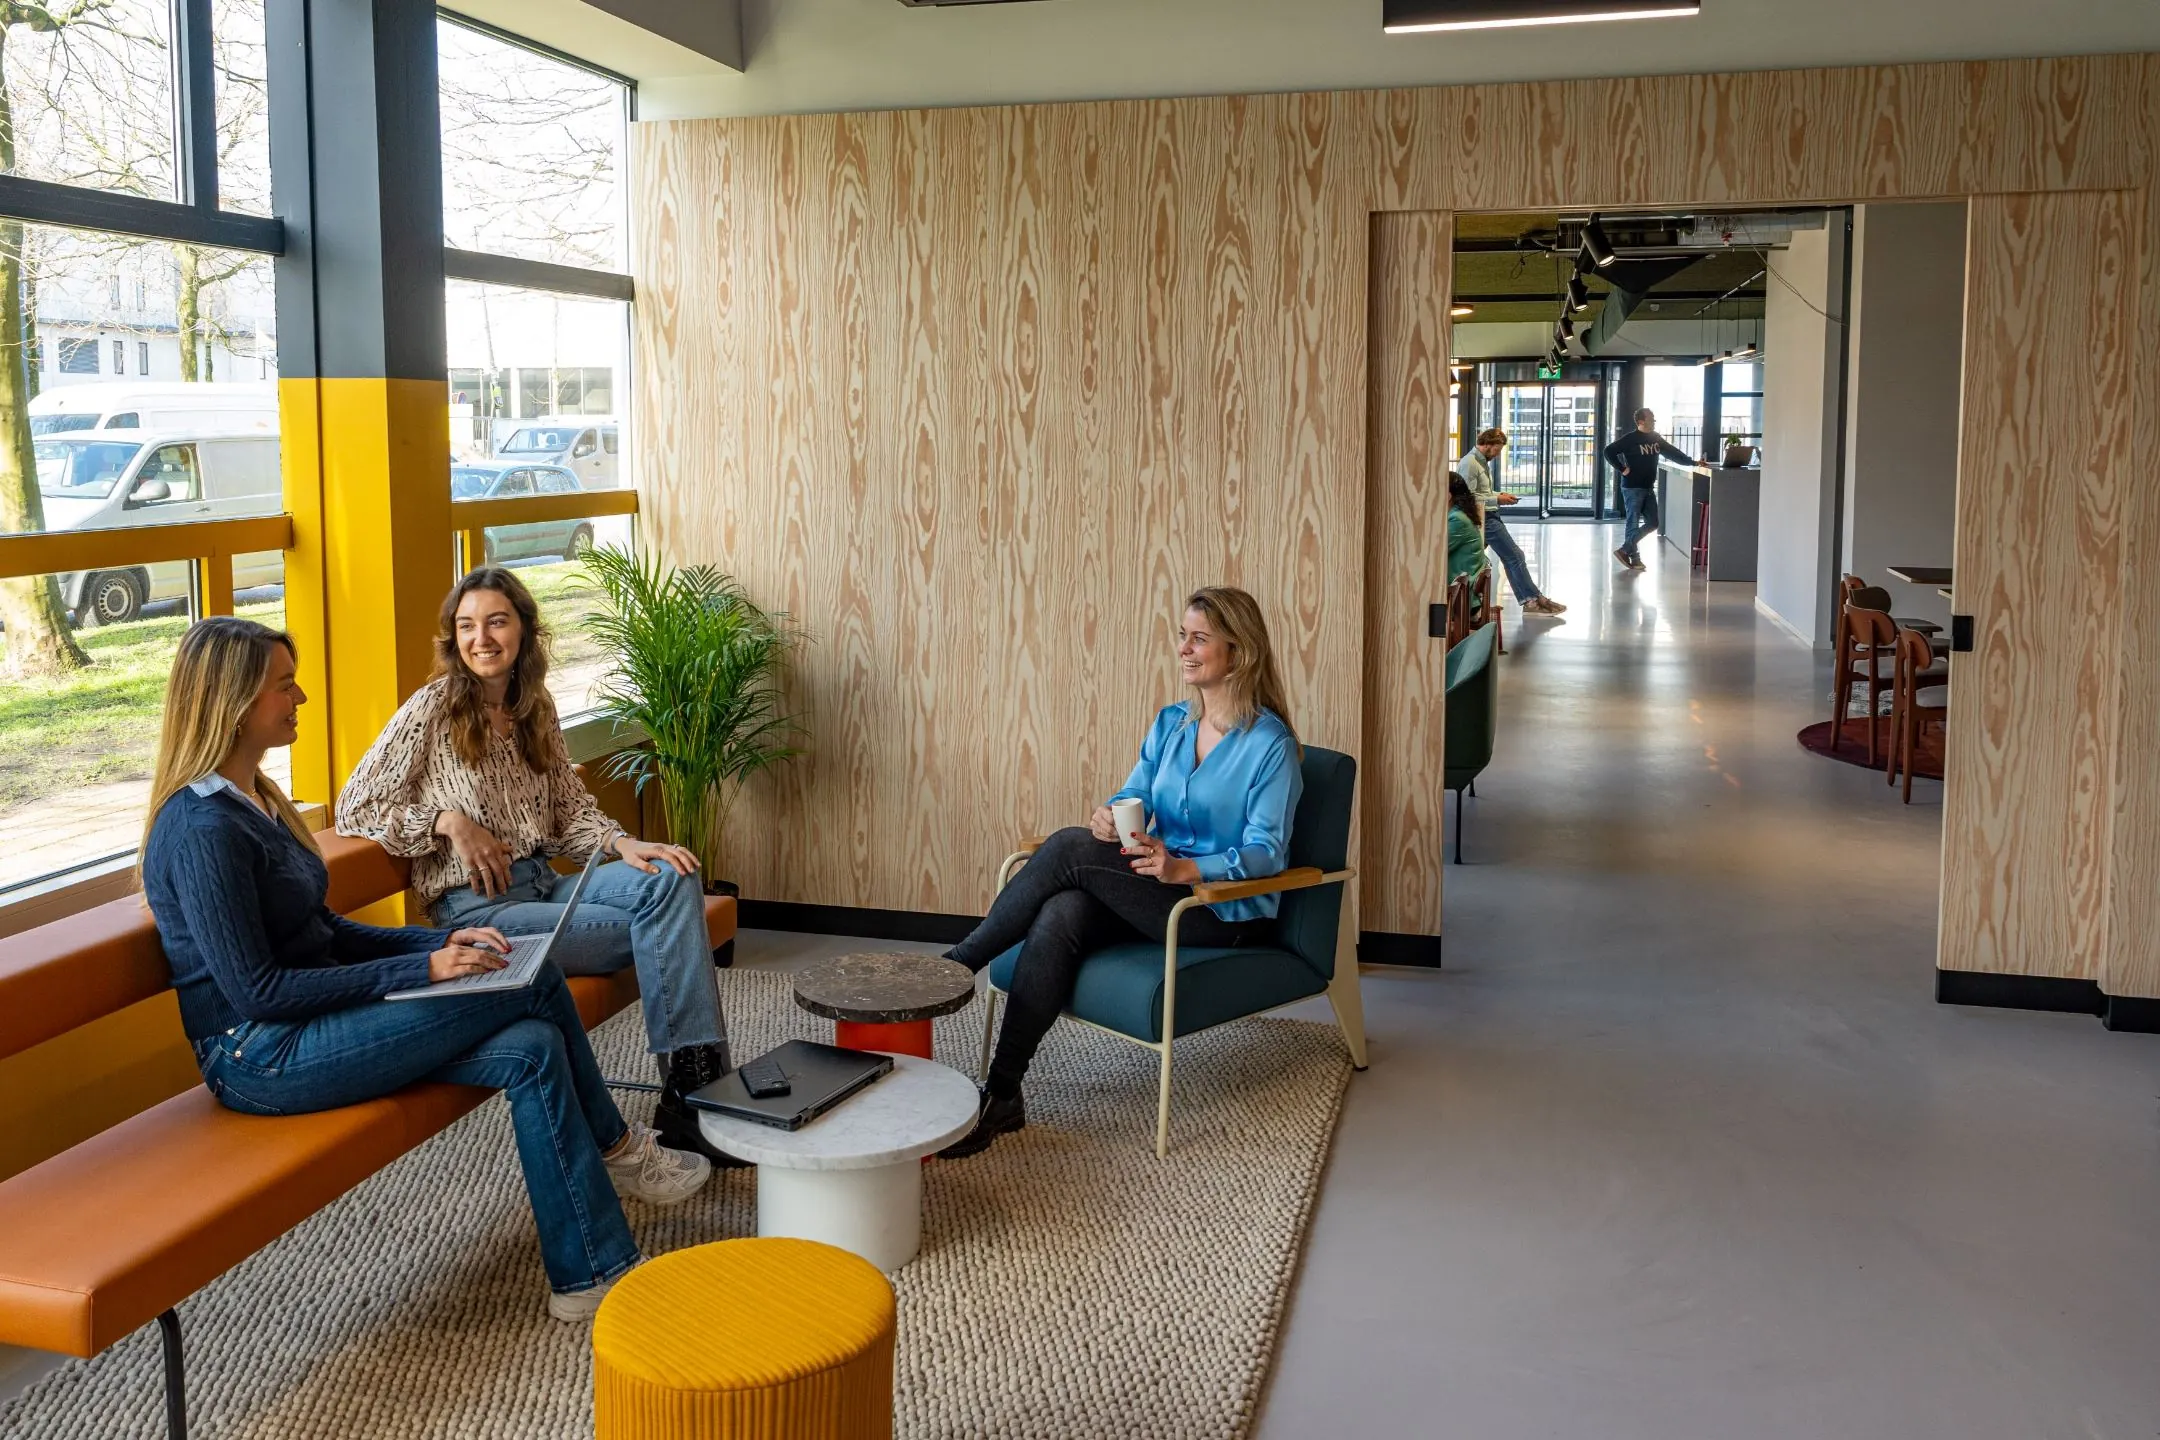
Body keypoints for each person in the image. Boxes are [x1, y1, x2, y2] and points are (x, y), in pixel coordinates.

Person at [141, 618, 709, 1323]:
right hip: (260, 1055)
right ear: (231, 700)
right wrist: (429, 970)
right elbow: (259, 992)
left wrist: (427, 948)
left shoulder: (249, 800)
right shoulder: (201, 830)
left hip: (308, 1024)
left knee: (530, 1047)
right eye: (284, 685)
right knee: (534, 978)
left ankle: (589, 1273)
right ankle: (618, 1149)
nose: (302, 697)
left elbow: (321, 934)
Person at [336, 567, 742, 1168]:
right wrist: (448, 822)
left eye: (497, 621)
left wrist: (624, 844)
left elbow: (569, 812)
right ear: (453, 637)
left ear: (524, 629)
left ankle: (691, 1088)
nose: (482, 638)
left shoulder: (535, 708)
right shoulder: (432, 708)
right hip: (480, 912)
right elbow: (356, 805)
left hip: (547, 884)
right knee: (656, 925)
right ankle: (697, 1103)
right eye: (467, 625)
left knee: (672, 876)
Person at [938, 586, 1302, 1159]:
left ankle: (957, 965)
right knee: (1063, 909)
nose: (1184, 648)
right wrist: (1110, 814)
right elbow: (1136, 790)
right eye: (1182, 635)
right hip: (1153, 890)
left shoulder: (1270, 747)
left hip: (1218, 908)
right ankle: (1002, 1095)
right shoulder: (1173, 723)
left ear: (1240, 650)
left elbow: (1267, 853)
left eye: (1199, 638)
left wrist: (1187, 867)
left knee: (1064, 849)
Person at [1455, 429, 1565, 616]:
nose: (1497, 455)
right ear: (1487, 445)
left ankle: (1532, 599)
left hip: (1488, 515)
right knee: (1514, 556)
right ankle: (1532, 600)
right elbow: (1468, 496)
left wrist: (1499, 495)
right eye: (1496, 450)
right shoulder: (1470, 464)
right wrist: (1497, 500)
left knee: (1502, 558)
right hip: (1485, 518)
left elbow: (1481, 492)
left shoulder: (1480, 462)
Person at [1602, 407, 1710, 571]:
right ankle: (1635, 559)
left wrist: (1693, 462)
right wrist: (1622, 468)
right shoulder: (1631, 439)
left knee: (1653, 523)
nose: (1654, 421)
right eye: (1651, 419)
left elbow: (1674, 453)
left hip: (1648, 487)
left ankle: (1625, 550)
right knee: (1632, 523)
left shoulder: (1656, 438)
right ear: (1641, 421)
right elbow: (1608, 451)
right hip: (1632, 487)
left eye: (1654, 419)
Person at [1447, 473, 1487, 586]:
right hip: (1463, 586)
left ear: (1448, 496)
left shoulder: (1456, 519)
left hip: (1459, 592)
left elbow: (1434, 552)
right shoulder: (1460, 513)